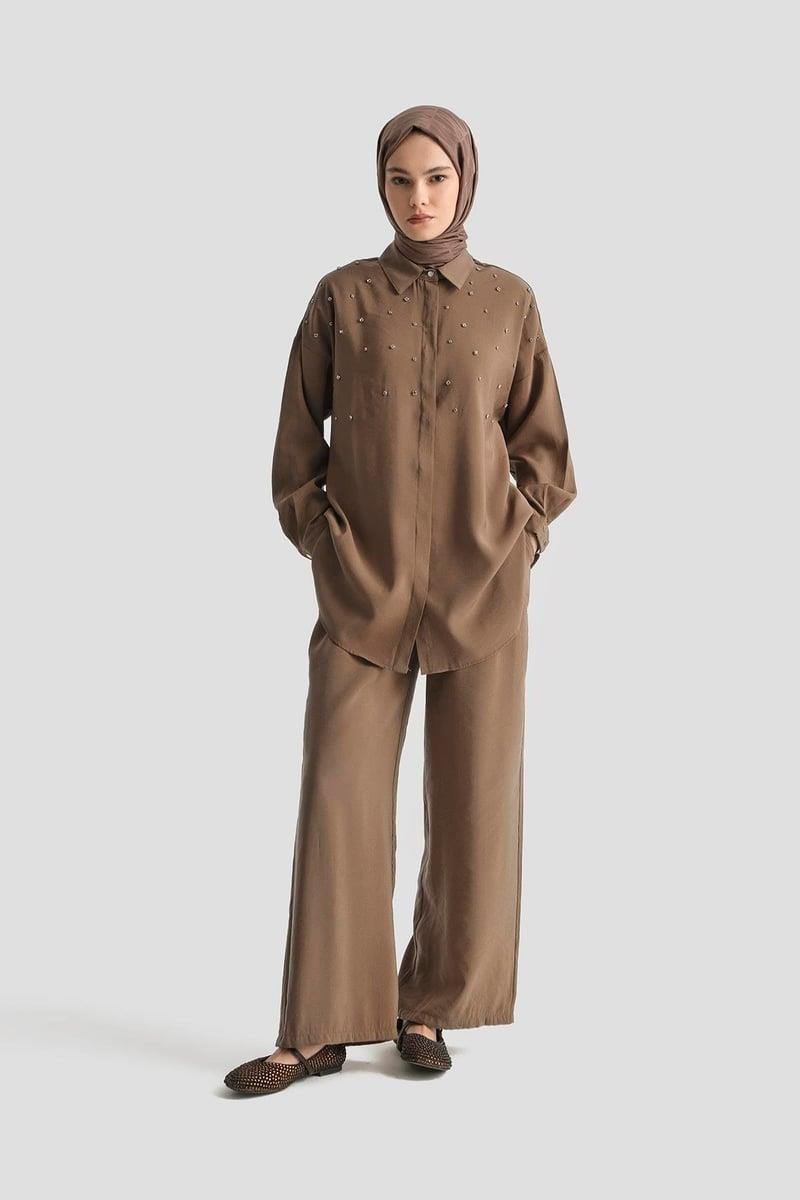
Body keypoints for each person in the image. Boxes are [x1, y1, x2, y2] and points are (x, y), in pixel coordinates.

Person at [224, 104, 577, 1095]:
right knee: (338, 799)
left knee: (474, 806)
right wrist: (321, 540)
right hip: (362, 590)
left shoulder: (508, 302)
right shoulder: (341, 298)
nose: (418, 198)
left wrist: (520, 538)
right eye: (399, 179)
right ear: (379, 186)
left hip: (482, 591)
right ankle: (318, 1029)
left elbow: (547, 455)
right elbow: (296, 446)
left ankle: (425, 1008)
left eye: (435, 178)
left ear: (465, 180)